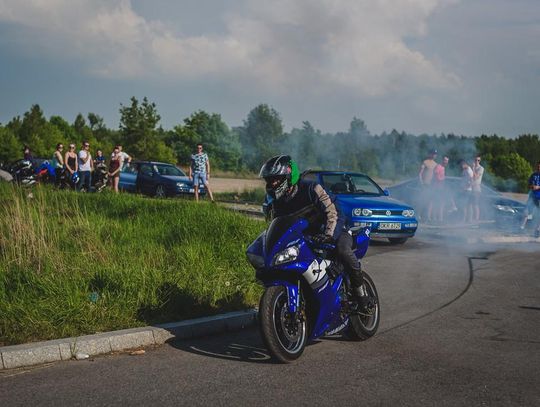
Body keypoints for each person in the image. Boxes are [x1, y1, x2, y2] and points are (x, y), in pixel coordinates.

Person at [259, 155, 374, 314]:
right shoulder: (275, 203)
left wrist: (329, 235)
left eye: (276, 179)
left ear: (288, 176)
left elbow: (332, 212)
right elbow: (274, 226)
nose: (272, 184)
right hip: (309, 236)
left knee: (342, 251)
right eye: (269, 180)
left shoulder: (312, 188)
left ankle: (362, 296)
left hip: (337, 228)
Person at [418, 149, 438, 222]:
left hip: (431, 185)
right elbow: (420, 173)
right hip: (424, 184)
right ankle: (419, 215)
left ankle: (428, 217)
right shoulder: (425, 162)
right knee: (422, 200)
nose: (434, 155)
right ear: (430, 154)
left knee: (430, 201)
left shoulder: (435, 164)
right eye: (432, 154)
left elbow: (436, 175)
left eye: (435, 154)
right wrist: (421, 183)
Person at [432, 155, 449, 223]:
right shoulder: (438, 166)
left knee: (441, 203)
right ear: (442, 160)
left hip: (441, 188)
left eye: (447, 161)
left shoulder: (443, 168)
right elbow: (436, 176)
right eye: (445, 160)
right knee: (437, 203)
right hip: (436, 188)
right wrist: (443, 179)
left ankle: (439, 219)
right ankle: (434, 218)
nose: (446, 162)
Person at [527, 161, 540, 238]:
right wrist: (531, 186)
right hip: (532, 196)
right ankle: (522, 227)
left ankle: (537, 230)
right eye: (538, 166)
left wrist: (537, 187)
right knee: (526, 212)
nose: (539, 168)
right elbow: (528, 184)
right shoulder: (533, 175)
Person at [459, 159, 474, 223]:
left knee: (464, 205)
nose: (461, 166)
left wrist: (465, 188)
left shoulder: (469, 170)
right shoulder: (464, 170)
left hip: (467, 191)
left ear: (464, 164)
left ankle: (464, 220)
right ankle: (468, 220)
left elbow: (472, 181)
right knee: (467, 205)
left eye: (461, 165)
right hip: (464, 190)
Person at [471, 155, 485, 222]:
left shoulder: (481, 168)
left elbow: (475, 177)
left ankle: (476, 220)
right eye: (475, 160)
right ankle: (471, 219)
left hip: (476, 188)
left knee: (475, 205)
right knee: (470, 205)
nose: (477, 161)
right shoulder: (471, 168)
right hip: (470, 188)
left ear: (480, 161)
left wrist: (473, 168)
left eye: (478, 160)